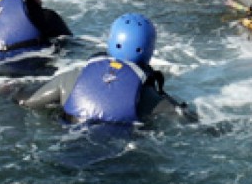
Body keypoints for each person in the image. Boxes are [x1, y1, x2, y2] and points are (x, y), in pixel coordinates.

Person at [18, 13, 197, 124]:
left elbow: (28, 101)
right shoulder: (149, 98)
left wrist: (8, 90)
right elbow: (188, 120)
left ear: (111, 41)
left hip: (71, 142)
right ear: (149, 50)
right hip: (118, 155)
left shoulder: (72, 78)